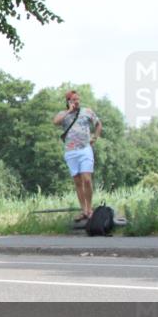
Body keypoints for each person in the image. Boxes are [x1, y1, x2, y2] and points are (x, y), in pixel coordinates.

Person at [53, 90, 102, 222]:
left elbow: (98, 124)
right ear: (68, 101)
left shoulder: (87, 111)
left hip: (85, 149)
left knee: (87, 179)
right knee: (78, 182)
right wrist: (69, 111)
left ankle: (90, 209)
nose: (77, 101)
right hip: (70, 152)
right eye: (74, 99)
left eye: (78, 99)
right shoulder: (63, 114)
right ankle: (84, 210)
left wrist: (95, 137)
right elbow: (55, 122)